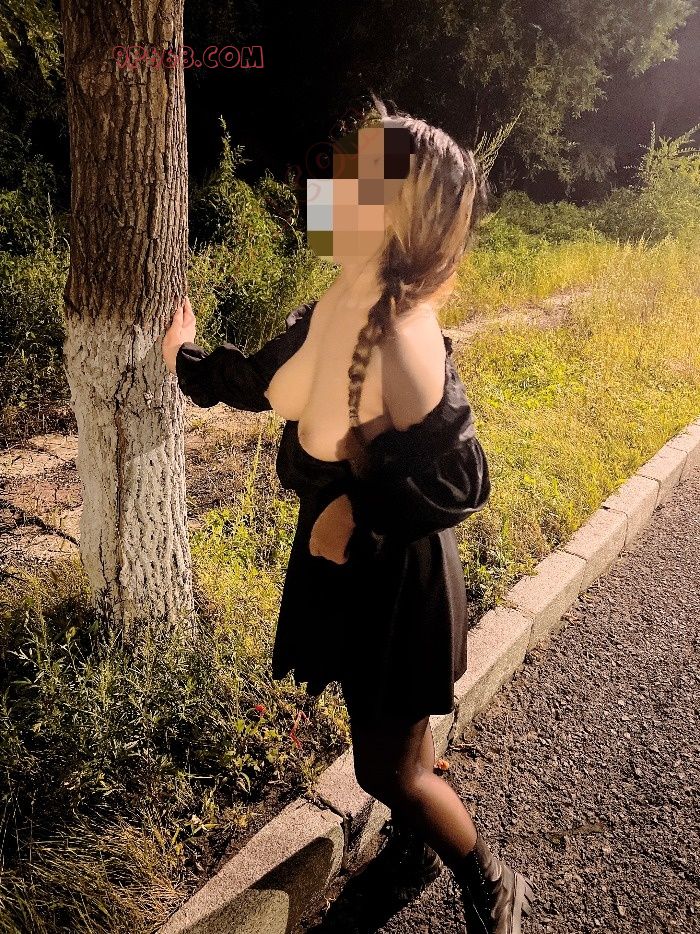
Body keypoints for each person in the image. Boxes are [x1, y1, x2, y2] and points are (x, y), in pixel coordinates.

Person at [162, 95, 535, 933]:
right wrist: (183, 356)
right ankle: (412, 845)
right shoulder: (344, 298)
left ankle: (490, 879)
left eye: (354, 181)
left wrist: (358, 510)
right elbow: (265, 383)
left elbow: (465, 479)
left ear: (400, 215)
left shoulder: (401, 334)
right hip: (354, 558)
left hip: (395, 569)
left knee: (386, 769)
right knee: (392, 737)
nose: (325, 190)